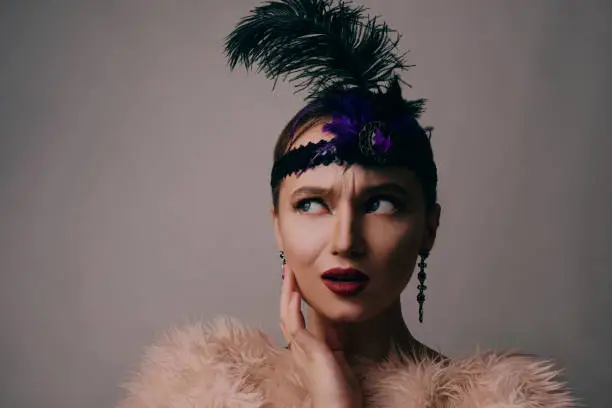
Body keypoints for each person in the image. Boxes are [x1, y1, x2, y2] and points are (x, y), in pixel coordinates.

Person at [117, 1, 576, 407]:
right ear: (277, 225)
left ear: (429, 228)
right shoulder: (193, 391)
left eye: (381, 203)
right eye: (313, 204)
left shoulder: (502, 402)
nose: (345, 241)